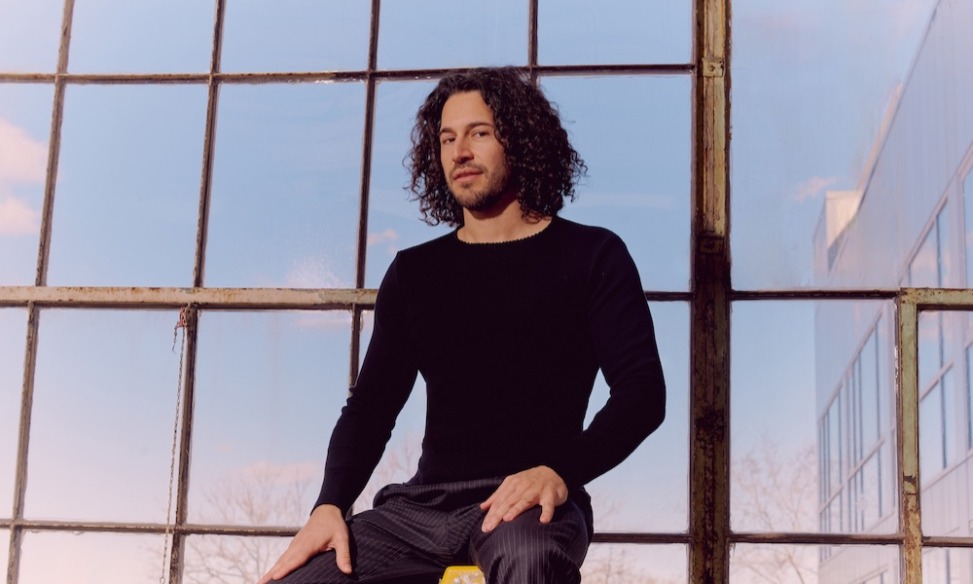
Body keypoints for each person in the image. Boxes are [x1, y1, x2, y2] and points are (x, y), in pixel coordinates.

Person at [258, 67, 666, 584]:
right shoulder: (414, 273)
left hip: (525, 506)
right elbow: (370, 408)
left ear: (520, 140)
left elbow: (642, 393)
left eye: (479, 133)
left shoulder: (591, 254)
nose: (460, 152)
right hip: (419, 512)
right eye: (447, 139)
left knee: (527, 560)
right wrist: (328, 504)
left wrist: (560, 471)